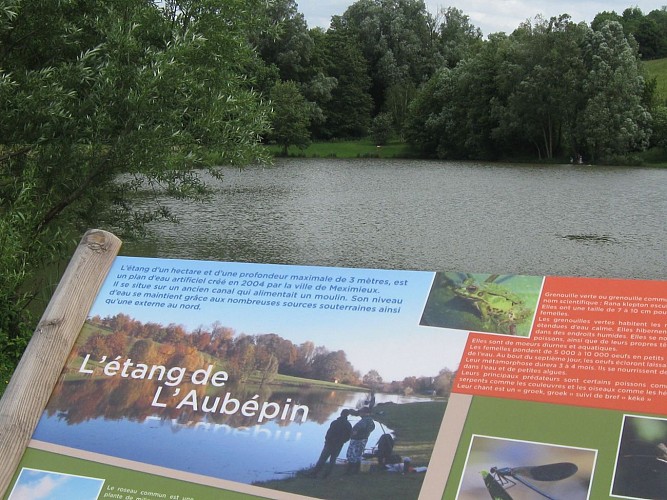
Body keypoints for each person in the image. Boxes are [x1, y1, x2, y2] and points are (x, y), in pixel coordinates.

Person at [308, 409, 352, 478]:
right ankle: (327, 475)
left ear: (341, 414)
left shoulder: (335, 422)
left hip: (330, 443)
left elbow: (329, 433)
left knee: (322, 459)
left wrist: (327, 440)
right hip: (339, 445)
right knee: (333, 459)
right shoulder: (348, 425)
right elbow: (349, 436)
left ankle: (314, 473)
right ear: (347, 415)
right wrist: (343, 441)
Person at [345, 406, 375, 474]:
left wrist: (352, 434)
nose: (360, 413)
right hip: (364, 439)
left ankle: (349, 471)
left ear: (364, 413)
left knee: (351, 455)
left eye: (361, 412)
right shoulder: (370, 420)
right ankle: (356, 470)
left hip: (357, 440)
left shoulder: (363, 421)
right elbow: (373, 428)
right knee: (358, 455)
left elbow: (355, 429)